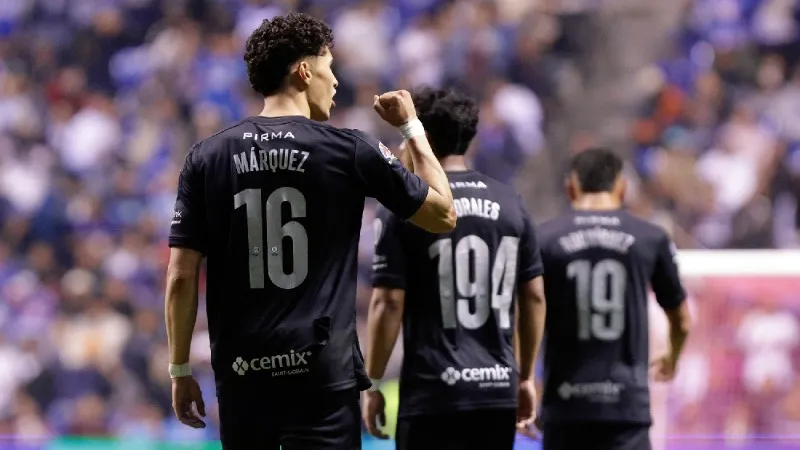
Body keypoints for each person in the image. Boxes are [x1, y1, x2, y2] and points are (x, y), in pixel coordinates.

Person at [163, 13, 456, 450]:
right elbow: (443, 215)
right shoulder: (349, 148)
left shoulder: (206, 157)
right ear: (303, 71)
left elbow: (181, 276)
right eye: (328, 68)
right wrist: (411, 127)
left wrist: (180, 369)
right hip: (322, 374)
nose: (334, 82)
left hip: (244, 376)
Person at [362, 87, 547, 450]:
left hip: (433, 393)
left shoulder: (408, 206)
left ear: (422, 137)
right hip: (496, 392)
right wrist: (525, 376)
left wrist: (374, 383)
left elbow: (388, 302)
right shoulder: (512, 203)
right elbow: (534, 296)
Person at [537, 148, 692, 450]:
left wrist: (526, 380)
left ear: (571, 187)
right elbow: (682, 320)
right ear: (622, 188)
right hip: (626, 407)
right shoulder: (650, 237)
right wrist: (671, 358)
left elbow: (528, 308)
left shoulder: (545, 238)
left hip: (565, 404)